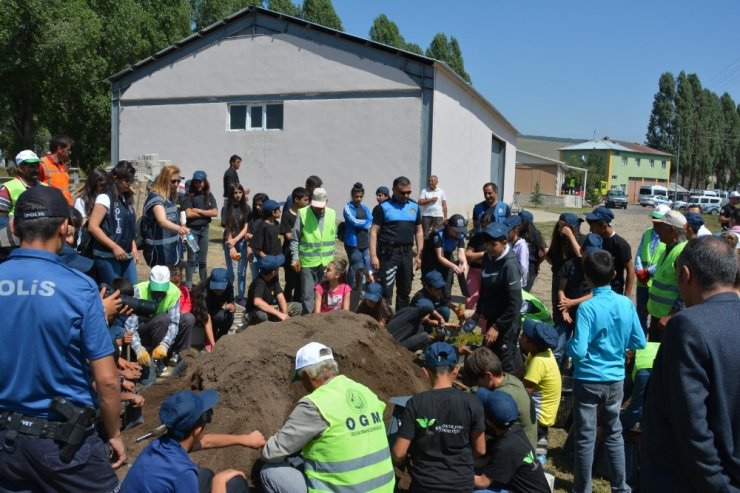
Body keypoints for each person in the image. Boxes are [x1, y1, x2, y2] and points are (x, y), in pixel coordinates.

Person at [0, 186, 125, 491]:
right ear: (64, 227)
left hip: (5, 443)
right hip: (63, 444)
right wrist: (114, 433)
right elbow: (107, 380)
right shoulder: (80, 288)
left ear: (14, 227)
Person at [641, 236, 740, 492]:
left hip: (689, 480)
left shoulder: (688, 326)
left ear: (685, 274)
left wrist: (719, 486)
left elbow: (692, 426)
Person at [260, 342, 395, 493]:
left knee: (270, 471)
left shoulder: (315, 404)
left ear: (306, 375)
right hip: (385, 488)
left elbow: (271, 453)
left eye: (301, 379)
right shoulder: (365, 392)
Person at [566, 250, 646, 493]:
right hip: (615, 380)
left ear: (587, 278)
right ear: (614, 274)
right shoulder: (626, 304)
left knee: (586, 437)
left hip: (588, 379)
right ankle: (620, 487)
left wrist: (569, 345)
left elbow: (578, 351)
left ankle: (583, 489)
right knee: (614, 434)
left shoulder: (587, 308)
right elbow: (639, 341)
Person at [122, 389, 265, 493]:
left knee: (205, 475)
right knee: (236, 484)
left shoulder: (160, 444)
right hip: (182, 477)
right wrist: (219, 482)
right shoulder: (183, 473)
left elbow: (207, 441)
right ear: (197, 431)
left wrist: (245, 439)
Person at [391, 341, 486, 493]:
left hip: (425, 485)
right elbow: (480, 450)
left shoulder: (415, 403)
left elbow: (398, 452)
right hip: (461, 485)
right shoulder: (472, 402)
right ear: (455, 370)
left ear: (425, 371)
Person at [473, 389, 550, 493]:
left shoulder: (505, 447)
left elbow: (482, 482)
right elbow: (488, 462)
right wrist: (462, 463)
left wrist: (454, 473)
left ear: (489, 422)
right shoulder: (516, 430)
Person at [463, 347, 538, 451]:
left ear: (488, 376)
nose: (478, 385)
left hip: (519, 452)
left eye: (477, 381)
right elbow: (475, 391)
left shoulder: (502, 397)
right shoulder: (509, 378)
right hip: (521, 441)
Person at [472, 222, 523, 373]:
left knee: (504, 365)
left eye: (493, 244)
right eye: (486, 244)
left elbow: (515, 303)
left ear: (504, 242)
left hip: (506, 324)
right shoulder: (488, 257)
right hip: (492, 319)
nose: (488, 248)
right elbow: (484, 287)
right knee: (488, 360)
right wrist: (478, 310)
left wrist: (497, 327)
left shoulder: (510, 266)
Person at [126, 265, 196, 375]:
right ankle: (158, 363)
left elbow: (174, 322)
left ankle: (183, 362)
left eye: (162, 290)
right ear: (149, 281)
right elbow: (130, 325)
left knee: (188, 318)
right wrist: (138, 348)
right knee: (163, 318)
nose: (158, 293)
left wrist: (165, 344)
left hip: (162, 329)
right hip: (144, 329)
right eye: (156, 290)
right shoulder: (139, 290)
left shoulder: (173, 292)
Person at [370, 176, 424, 311]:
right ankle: (383, 324)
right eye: (402, 192)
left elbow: (419, 231)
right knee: (386, 291)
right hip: (388, 255)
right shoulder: (382, 208)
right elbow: (374, 232)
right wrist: (373, 256)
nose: (406, 195)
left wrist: (419, 255)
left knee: (405, 291)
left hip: (406, 255)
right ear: (393, 190)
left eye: (409, 192)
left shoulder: (414, 207)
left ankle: (400, 325)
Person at [87, 160, 139, 285]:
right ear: (115, 178)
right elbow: (93, 227)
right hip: (107, 256)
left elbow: (127, 227)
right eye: (126, 180)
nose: (129, 184)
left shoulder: (126, 199)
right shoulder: (105, 198)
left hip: (126, 254)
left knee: (134, 290)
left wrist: (134, 248)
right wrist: (114, 247)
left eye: (131, 181)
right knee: (115, 293)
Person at [554, 233, 602, 366]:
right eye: (589, 253)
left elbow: (596, 293)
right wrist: (564, 308)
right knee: (558, 347)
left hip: (586, 315)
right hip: (566, 314)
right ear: (581, 250)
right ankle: (557, 374)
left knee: (581, 348)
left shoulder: (598, 269)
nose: (591, 257)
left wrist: (573, 302)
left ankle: (575, 373)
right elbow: (561, 289)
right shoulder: (570, 265)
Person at [518, 319, 561, 464]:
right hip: (544, 414)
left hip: (538, 416)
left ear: (531, 343)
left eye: (524, 335)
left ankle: (532, 461)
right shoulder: (538, 353)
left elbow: (523, 394)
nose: (520, 336)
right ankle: (539, 451)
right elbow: (520, 372)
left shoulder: (539, 361)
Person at [290, 188, 336, 314]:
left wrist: (332, 259)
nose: (319, 209)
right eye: (316, 206)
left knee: (324, 293)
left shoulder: (332, 214)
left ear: (327, 201)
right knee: (308, 294)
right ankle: (309, 321)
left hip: (325, 261)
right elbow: (295, 239)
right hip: (308, 261)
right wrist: (295, 258)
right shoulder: (303, 213)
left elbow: (333, 237)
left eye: (321, 206)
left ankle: (322, 319)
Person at [646, 210, 688, 342]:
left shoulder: (682, 253)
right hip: (657, 314)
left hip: (669, 319)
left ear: (671, 230)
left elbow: (685, 291)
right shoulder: (668, 248)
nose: (657, 231)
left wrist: (671, 315)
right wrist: (650, 304)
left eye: (660, 227)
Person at [142, 165, 189, 267]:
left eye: (178, 181)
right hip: (159, 253)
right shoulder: (156, 199)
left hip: (173, 250)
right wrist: (179, 229)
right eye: (173, 181)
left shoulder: (170, 197)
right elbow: (162, 221)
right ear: (164, 180)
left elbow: (174, 216)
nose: (176, 184)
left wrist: (182, 225)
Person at [633, 205, 669, 333]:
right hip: (642, 281)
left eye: (658, 221)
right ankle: (640, 342)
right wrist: (639, 270)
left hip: (656, 282)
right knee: (641, 313)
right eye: (654, 220)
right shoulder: (647, 232)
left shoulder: (668, 237)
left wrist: (648, 272)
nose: (655, 223)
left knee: (655, 315)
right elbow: (639, 252)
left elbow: (665, 259)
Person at [584, 206, 635, 296]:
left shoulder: (621, 245)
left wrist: (626, 296)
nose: (590, 230)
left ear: (604, 226)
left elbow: (630, 270)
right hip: (595, 290)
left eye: (593, 227)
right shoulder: (595, 241)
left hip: (614, 291)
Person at [183, 170, 218, 288]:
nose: (198, 184)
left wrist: (198, 211)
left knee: (203, 260)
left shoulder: (209, 195)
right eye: (196, 182)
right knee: (191, 259)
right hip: (192, 231)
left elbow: (215, 212)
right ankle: (188, 285)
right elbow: (189, 214)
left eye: (200, 182)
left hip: (204, 230)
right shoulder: (189, 196)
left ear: (205, 182)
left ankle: (204, 285)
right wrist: (207, 213)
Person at [544, 213, 582, 322]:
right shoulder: (557, 240)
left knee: (573, 310)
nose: (560, 229)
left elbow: (580, 255)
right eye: (559, 226)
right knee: (558, 309)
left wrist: (571, 236)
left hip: (573, 281)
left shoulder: (581, 239)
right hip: (558, 279)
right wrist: (546, 255)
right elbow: (553, 262)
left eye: (564, 226)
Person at [421, 214, 468, 301]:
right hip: (432, 259)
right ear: (449, 227)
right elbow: (440, 257)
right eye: (455, 230)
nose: (458, 233)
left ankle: (444, 308)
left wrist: (464, 263)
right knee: (432, 288)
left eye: (460, 231)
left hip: (447, 258)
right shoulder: (438, 233)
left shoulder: (460, 234)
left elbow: (461, 253)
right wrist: (454, 266)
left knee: (446, 290)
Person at [246, 254, 301, 324]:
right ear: (273, 272)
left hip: (270, 309)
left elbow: (280, 296)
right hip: (255, 312)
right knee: (261, 316)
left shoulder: (273, 278)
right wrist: (279, 314)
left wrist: (285, 313)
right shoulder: (259, 282)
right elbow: (257, 302)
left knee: (297, 307)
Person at [191, 268, 236, 349]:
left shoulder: (229, 286)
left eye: (221, 289)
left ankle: (221, 339)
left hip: (215, 310)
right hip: (200, 313)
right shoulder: (203, 290)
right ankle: (210, 340)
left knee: (229, 316)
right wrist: (213, 345)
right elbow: (206, 319)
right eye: (216, 288)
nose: (218, 291)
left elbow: (231, 302)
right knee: (214, 319)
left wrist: (232, 306)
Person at [0, 150, 45, 228]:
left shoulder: (46, 187)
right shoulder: (7, 189)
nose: (37, 170)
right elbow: (1, 219)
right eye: (32, 166)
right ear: (20, 168)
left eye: (37, 165)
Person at [280, 187, 310, 302]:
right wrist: (299, 234)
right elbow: (287, 235)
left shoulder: (307, 214)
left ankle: (297, 302)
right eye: (305, 200)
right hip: (290, 252)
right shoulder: (287, 214)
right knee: (290, 281)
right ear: (296, 200)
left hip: (303, 252)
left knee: (300, 281)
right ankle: (286, 302)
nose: (307, 203)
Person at [222, 184, 250, 302]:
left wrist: (236, 239)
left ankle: (241, 297)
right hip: (229, 242)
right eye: (235, 193)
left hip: (241, 242)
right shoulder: (226, 208)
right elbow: (227, 227)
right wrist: (231, 244)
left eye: (240, 192)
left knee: (241, 272)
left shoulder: (247, 208)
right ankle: (230, 296)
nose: (238, 195)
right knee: (232, 272)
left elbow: (246, 227)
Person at [342, 182, 373, 289]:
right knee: (356, 267)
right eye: (356, 196)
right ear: (352, 196)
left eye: (360, 196)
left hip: (364, 242)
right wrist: (365, 224)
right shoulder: (348, 207)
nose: (358, 199)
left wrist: (365, 223)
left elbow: (371, 220)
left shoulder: (365, 208)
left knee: (364, 267)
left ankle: (357, 288)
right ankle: (352, 288)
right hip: (353, 243)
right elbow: (354, 221)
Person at [38, 135, 74, 204]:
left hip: (66, 208)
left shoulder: (63, 166)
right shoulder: (42, 165)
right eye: (68, 150)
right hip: (52, 209)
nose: (70, 152)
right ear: (59, 149)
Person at [519, 210, 546, 292]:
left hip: (531, 266)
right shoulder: (518, 232)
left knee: (524, 292)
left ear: (526, 222)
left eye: (521, 221)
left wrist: (538, 264)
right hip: (518, 264)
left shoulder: (535, 234)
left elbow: (544, 251)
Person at [505, 214, 529, 286]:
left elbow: (523, 267)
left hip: (516, 282)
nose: (505, 233)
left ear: (516, 230)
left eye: (508, 231)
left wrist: (521, 283)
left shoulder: (521, 245)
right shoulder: (506, 243)